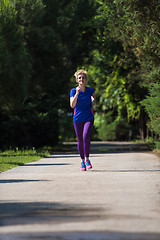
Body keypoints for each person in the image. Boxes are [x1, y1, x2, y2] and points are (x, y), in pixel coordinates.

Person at [70, 69, 96, 171]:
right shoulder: (73, 91)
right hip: (77, 119)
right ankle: (82, 161)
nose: (81, 79)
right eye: (79, 78)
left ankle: (87, 159)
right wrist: (76, 94)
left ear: (86, 79)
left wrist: (93, 101)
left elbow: (94, 104)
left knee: (86, 136)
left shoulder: (91, 90)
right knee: (80, 139)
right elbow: (72, 105)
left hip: (89, 117)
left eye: (83, 77)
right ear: (77, 80)